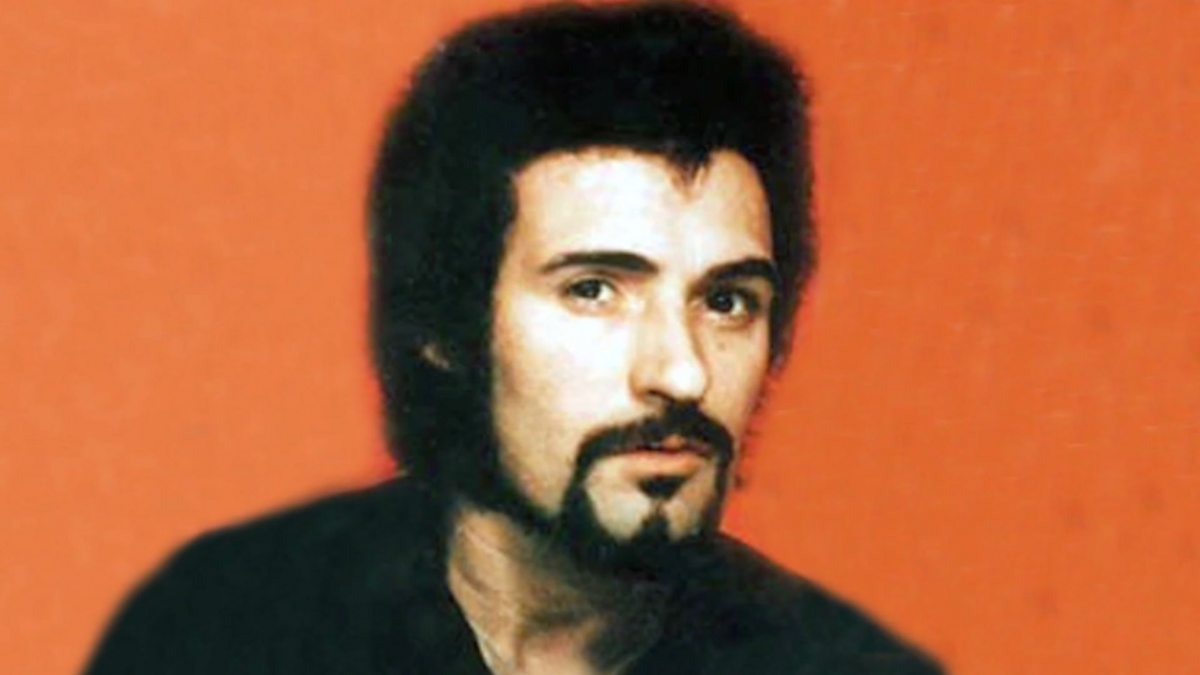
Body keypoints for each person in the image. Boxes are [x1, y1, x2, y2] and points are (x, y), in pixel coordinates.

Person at [86, 2, 943, 673]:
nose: (683, 372)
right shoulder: (227, 632)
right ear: (449, 325)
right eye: (594, 290)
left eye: (726, 301)